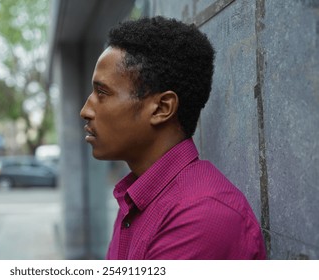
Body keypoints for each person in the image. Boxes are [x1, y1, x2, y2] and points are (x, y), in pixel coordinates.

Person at [80, 16, 266, 260]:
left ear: (161, 108)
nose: (85, 110)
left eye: (102, 92)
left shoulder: (201, 216)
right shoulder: (136, 198)